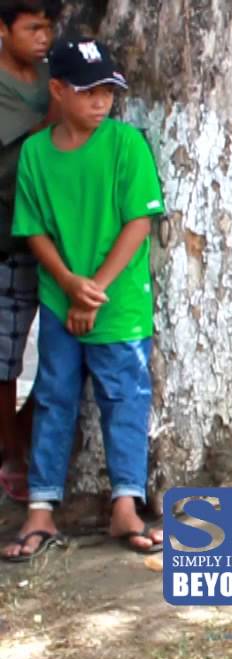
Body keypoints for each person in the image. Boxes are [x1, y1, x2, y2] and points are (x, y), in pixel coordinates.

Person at [4, 38, 165, 560]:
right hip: (59, 298)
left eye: (108, 92)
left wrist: (93, 289)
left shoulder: (124, 143)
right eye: (88, 91)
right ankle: (42, 508)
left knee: (124, 400)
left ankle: (125, 504)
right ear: (57, 90)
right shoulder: (35, 152)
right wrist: (70, 285)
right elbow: (33, 230)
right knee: (53, 398)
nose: (100, 102)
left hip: (118, 302)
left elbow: (139, 220)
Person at [0, 0, 59, 502]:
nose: (44, 37)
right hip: (8, 241)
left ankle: (24, 433)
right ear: (3, 28)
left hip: (64, 241)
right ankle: (12, 453)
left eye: (49, 27)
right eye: (32, 28)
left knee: (68, 355)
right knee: (6, 359)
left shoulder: (53, 78)